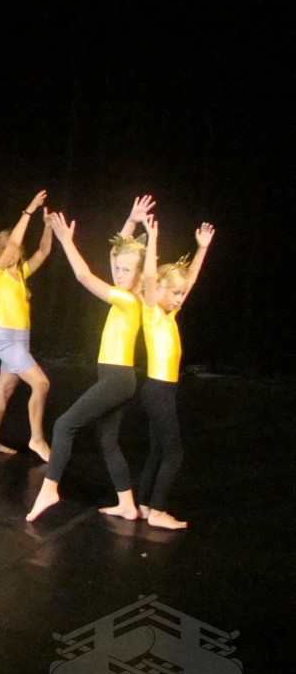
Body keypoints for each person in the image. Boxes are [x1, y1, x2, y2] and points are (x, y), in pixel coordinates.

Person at [26, 195, 153, 523]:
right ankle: (127, 504)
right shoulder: (126, 293)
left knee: (63, 425)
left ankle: (49, 490)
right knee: (108, 441)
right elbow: (115, 253)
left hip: (118, 378)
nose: (119, 273)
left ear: (140, 275)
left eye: (126, 270)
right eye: (118, 268)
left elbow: (83, 277)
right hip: (116, 377)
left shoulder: (129, 300)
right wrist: (131, 220)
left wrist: (66, 241)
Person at [137, 215, 215, 529]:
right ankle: (157, 512)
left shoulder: (169, 316)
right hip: (157, 389)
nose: (180, 298)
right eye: (175, 293)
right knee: (174, 453)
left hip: (162, 389)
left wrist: (202, 249)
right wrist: (152, 238)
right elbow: (150, 277)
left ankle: (145, 504)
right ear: (158, 291)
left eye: (182, 295)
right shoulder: (152, 313)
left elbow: (190, 278)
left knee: (158, 450)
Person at [0, 190, 52, 461]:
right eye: (10, 248)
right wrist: (29, 210)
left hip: (22, 339)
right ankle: (37, 439)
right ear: (0, 252)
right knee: (41, 384)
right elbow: (13, 243)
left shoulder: (21, 273)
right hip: (7, 340)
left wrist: (47, 227)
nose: (16, 251)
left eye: (18, 248)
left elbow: (44, 251)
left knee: (5, 389)